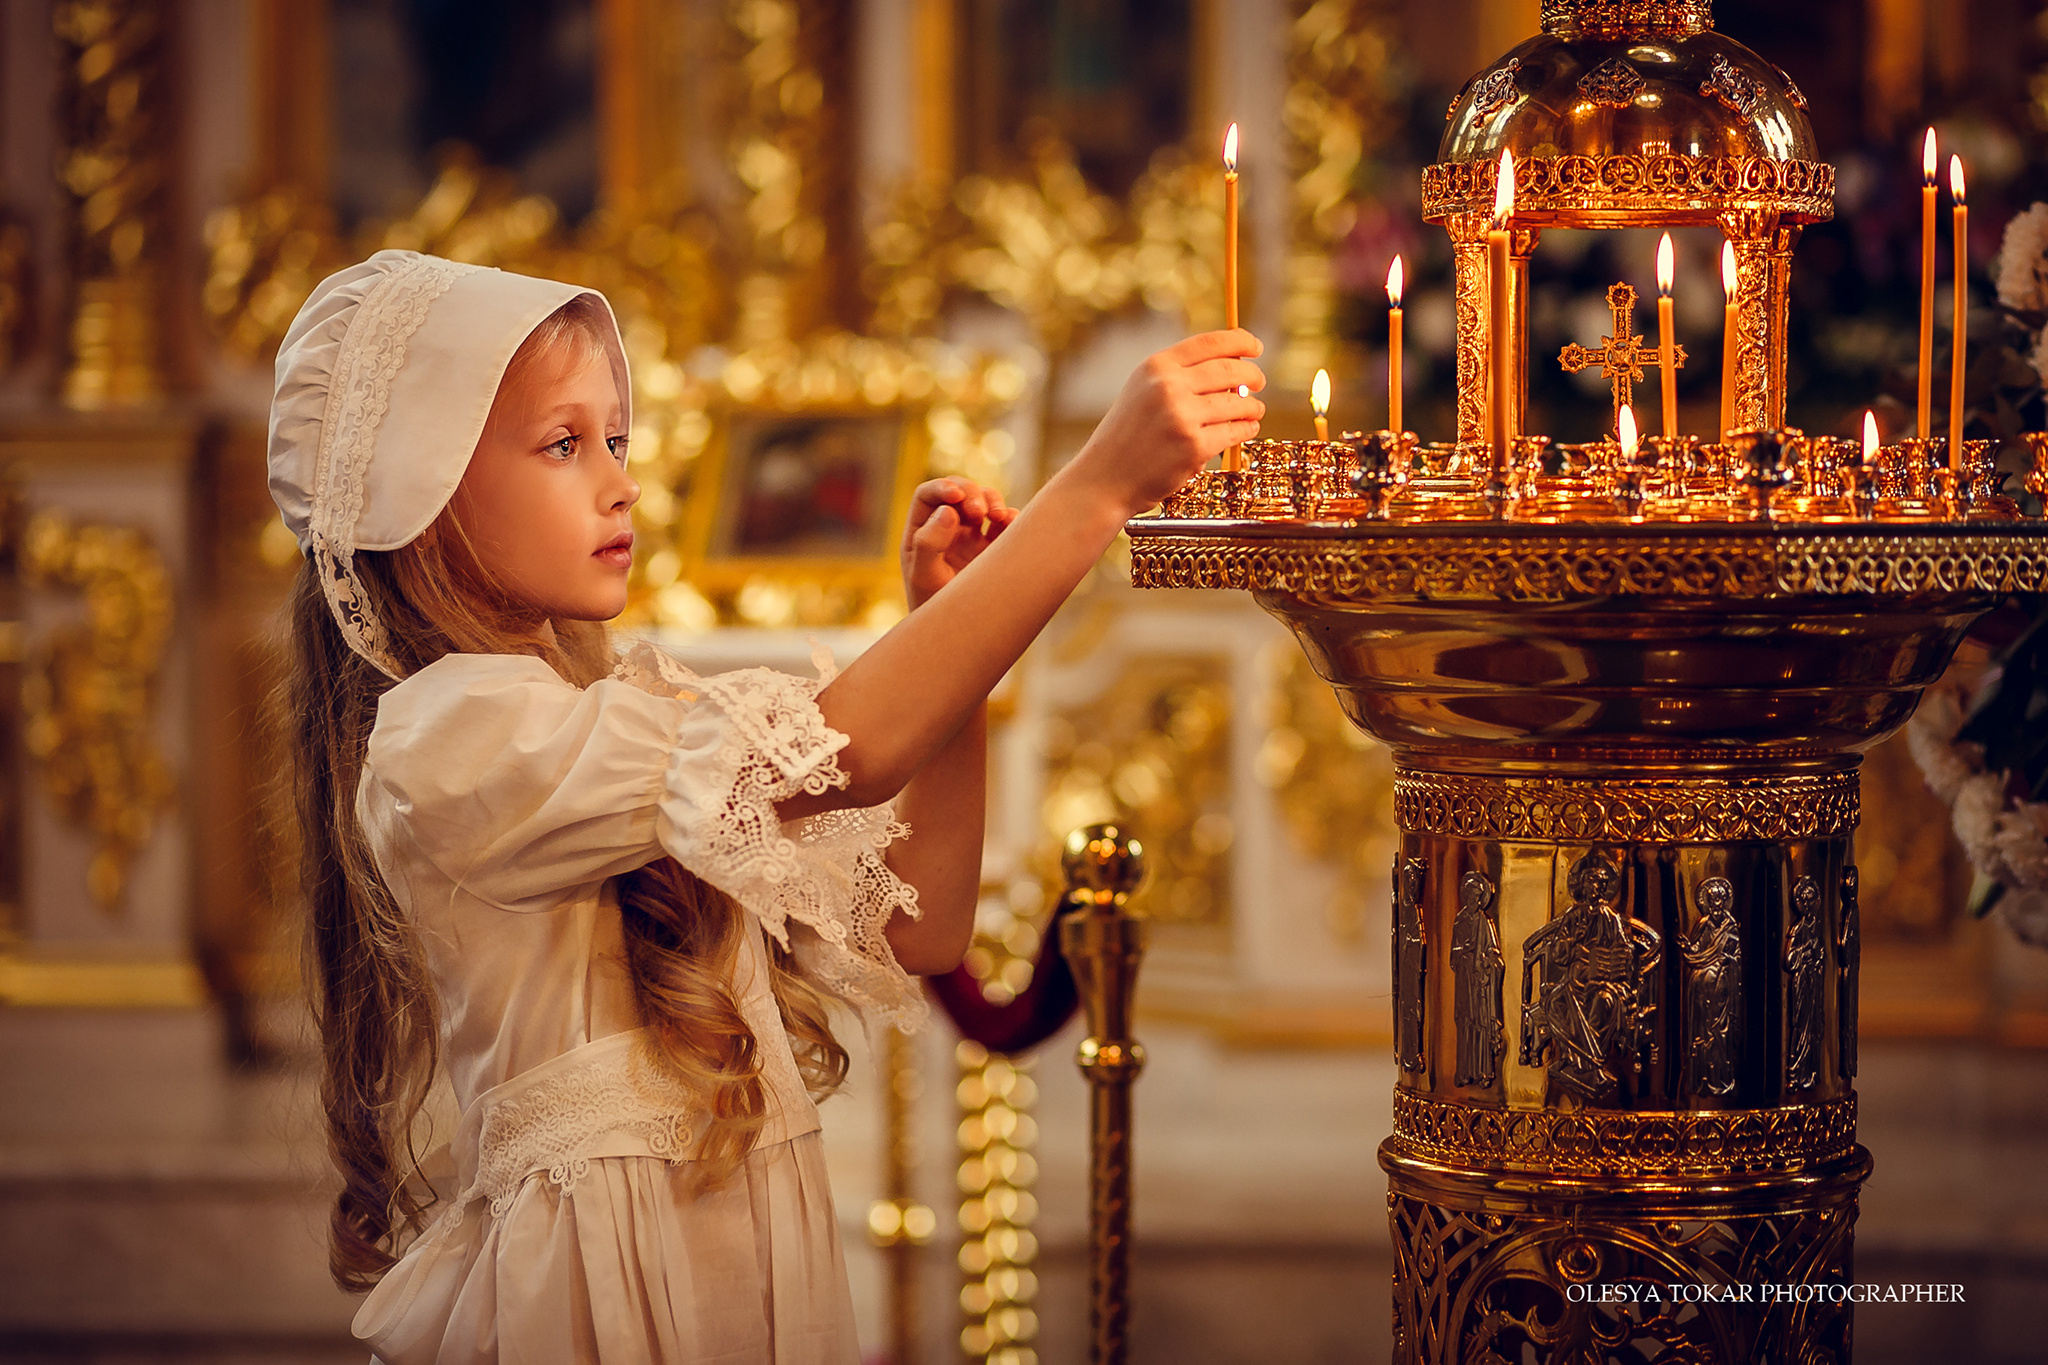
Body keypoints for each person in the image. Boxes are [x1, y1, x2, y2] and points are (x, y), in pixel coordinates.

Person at [268, 249, 1264, 1363]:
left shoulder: (625, 708)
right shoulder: (449, 739)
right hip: (594, 1302)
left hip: (737, 1271)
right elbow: (857, 748)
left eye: (617, 440)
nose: (620, 483)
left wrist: (954, 649)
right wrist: (1098, 487)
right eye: (563, 445)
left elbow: (922, 925)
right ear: (424, 490)